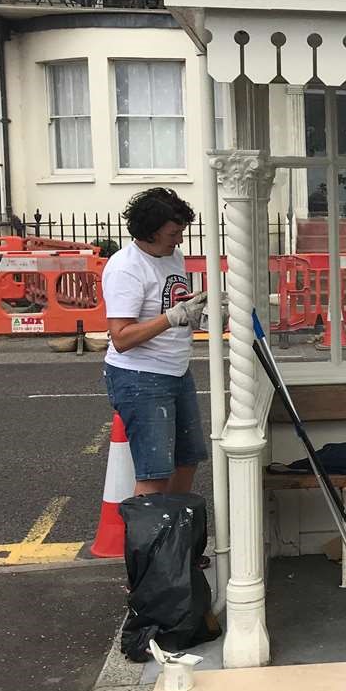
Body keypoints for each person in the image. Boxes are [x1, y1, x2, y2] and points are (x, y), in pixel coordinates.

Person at [102, 188, 209, 497]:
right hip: (139, 377)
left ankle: (176, 541)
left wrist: (197, 312)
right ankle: (150, 545)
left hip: (176, 371)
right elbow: (121, 338)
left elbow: (170, 305)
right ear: (150, 232)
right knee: (155, 473)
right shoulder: (126, 268)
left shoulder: (172, 256)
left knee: (188, 460)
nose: (179, 240)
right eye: (173, 233)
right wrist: (173, 317)